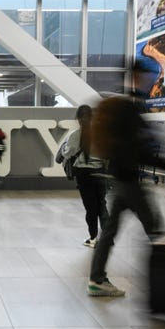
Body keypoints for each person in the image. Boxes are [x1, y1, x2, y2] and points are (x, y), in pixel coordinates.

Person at [88, 96, 165, 297]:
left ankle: (97, 279)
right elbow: (141, 152)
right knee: (156, 232)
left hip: (121, 183)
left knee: (109, 232)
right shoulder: (126, 134)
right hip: (131, 185)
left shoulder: (112, 135)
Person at [61, 105, 108, 248]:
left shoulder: (76, 135)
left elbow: (67, 153)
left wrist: (63, 149)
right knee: (102, 205)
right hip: (100, 172)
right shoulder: (101, 134)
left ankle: (93, 238)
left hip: (84, 174)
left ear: (78, 118)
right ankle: (107, 237)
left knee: (91, 207)